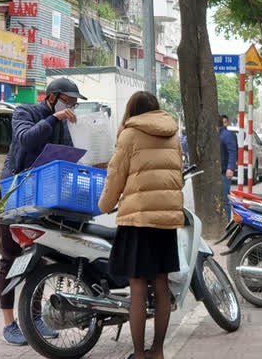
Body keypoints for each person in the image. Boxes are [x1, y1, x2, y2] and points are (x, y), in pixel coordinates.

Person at [0, 77, 86, 346]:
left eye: (73, 103)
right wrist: (53, 118)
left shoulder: (64, 123)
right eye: (68, 101)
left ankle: (34, 316)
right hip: (16, 192)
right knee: (10, 257)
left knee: (42, 255)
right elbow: (25, 140)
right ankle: (9, 323)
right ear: (52, 97)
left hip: (46, 195)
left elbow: (70, 153)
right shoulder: (25, 112)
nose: (71, 106)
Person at [98, 91, 184, 359]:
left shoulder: (129, 134)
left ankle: (138, 353)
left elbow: (115, 176)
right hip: (166, 221)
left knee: (137, 286)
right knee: (161, 285)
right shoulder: (172, 135)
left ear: (132, 110)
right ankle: (157, 351)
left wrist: (103, 205)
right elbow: (177, 174)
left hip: (138, 220)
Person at [219, 115, 238, 220]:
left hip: (224, 172)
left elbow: (232, 152)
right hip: (215, 172)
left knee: (225, 199)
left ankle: (226, 222)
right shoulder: (216, 134)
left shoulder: (227, 135)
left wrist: (230, 168)